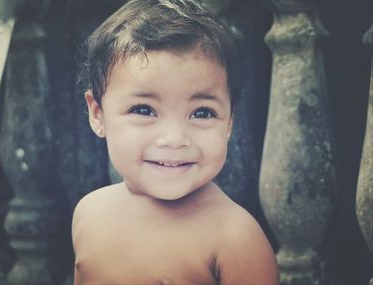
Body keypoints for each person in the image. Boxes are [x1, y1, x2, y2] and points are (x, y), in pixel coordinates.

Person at [72, 0, 279, 284]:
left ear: (229, 122)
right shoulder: (89, 213)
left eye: (202, 113)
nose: (174, 139)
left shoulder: (235, 238)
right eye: (144, 110)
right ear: (98, 115)